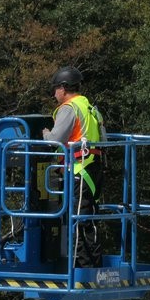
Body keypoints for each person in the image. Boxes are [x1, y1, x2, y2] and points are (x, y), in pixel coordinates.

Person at [43, 66, 106, 267]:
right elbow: (103, 139)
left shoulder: (69, 108)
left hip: (79, 170)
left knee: (79, 219)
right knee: (89, 217)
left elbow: (54, 140)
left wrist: (44, 133)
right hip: (94, 168)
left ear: (63, 88)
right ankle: (93, 263)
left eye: (55, 89)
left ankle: (82, 265)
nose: (54, 94)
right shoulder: (90, 108)